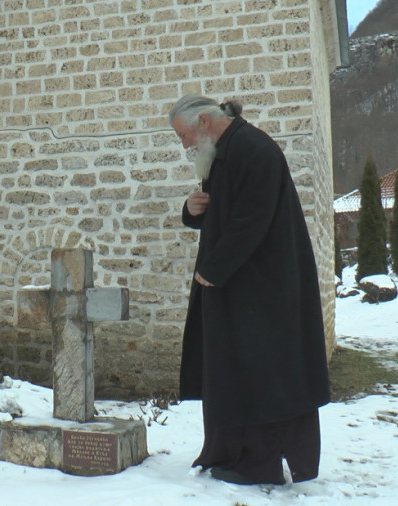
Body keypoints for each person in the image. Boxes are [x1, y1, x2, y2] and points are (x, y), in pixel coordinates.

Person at [169, 94, 331, 485]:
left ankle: (257, 463)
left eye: (185, 135)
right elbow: (219, 212)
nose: (185, 145)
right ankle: (228, 452)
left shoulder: (254, 149)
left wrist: (213, 269)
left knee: (261, 373)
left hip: (263, 287)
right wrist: (191, 210)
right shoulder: (223, 153)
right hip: (235, 284)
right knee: (230, 371)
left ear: (205, 121)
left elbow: (252, 219)